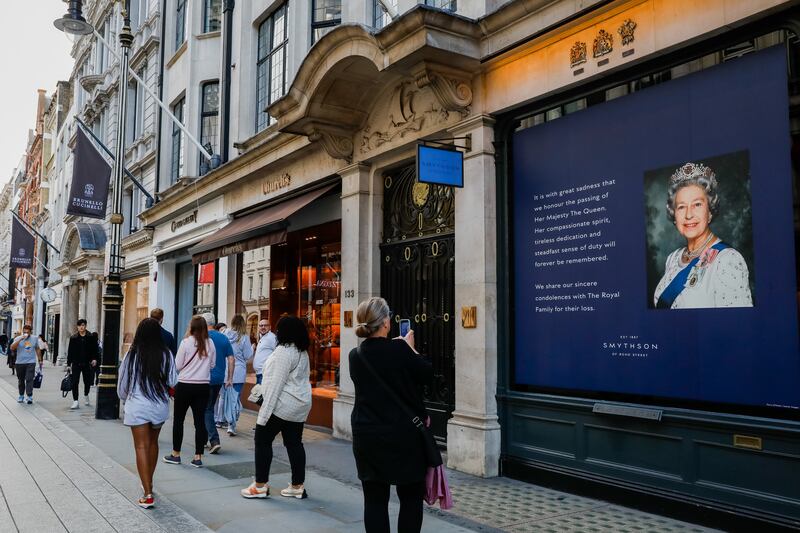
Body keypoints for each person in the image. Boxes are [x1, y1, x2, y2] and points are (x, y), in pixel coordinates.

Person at [349, 297, 432, 533]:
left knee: (374, 500)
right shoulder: (401, 349)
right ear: (385, 321)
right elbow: (427, 374)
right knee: (410, 498)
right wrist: (411, 349)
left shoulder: (356, 355)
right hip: (403, 436)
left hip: (367, 435)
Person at [654, 162, 753, 309]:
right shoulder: (673, 259)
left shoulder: (727, 261)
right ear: (674, 215)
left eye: (697, 205)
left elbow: (738, 325)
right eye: (681, 207)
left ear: (710, 212)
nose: (688, 215)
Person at [241, 316, 312, 500]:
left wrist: (263, 415)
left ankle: (260, 485)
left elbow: (275, 385)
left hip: (281, 405)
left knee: (262, 440)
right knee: (294, 444)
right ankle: (297, 486)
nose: (277, 332)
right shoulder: (301, 351)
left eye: (279, 329)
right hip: (299, 405)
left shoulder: (283, 352)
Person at [118, 318, 178, 509]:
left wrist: (125, 397)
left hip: (138, 405)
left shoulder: (132, 354)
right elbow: (173, 380)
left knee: (141, 447)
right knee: (153, 444)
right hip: (158, 404)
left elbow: (123, 381)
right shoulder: (166, 354)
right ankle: (149, 483)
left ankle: (147, 492)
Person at [164, 315, 216, 468]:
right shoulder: (210, 343)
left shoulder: (186, 342)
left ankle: (176, 454)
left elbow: (177, 365)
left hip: (185, 385)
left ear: (191, 327)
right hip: (203, 386)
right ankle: (198, 457)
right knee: (200, 422)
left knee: (178, 420)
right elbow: (212, 365)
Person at [202, 312, 234, 454]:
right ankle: (203, 439)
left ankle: (214, 440)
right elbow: (231, 359)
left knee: (206, 409)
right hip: (219, 379)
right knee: (208, 408)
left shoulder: (202, 338)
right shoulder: (223, 338)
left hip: (203, 378)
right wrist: (230, 378)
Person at [224, 314, 254, 436]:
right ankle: (232, 424)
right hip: (238, 371)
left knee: (228, 398)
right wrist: (252, 348)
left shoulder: (225, 334)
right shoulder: (244, 338)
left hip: (226, 370)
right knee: (235, 398)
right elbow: (248, 356)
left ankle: (229, 421)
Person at [66, 319, 99, 409]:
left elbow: (95, 350)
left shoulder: (90, 337)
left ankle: (86, 394)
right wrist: (68, 364)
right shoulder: (73, 338)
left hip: (87, 363)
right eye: (80, 325)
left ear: (85, 326)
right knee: (74, 382)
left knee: (87, 381)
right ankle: (75, 401)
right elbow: (70, 352)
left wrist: (94, 359)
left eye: (83, 325)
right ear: (77, 327)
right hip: (76, 363)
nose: (81, 327)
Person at [10, 325, 43, 404]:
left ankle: (29, 396)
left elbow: (37, 349)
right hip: (19, 363)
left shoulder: (35, 338)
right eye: (24, 332)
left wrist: (40, 359)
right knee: (21, 380)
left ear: (31, 332)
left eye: (28, 332)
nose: (26, 333)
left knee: (29, 379)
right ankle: (21, 395)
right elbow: (12, 348)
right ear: (22, 331)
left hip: (30, 362)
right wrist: (21, 339)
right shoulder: (18, 338)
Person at [253, 319, 277, 385]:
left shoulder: (272, 337)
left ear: (270, 327)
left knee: (262, 394)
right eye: (261, 325)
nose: (263, 327)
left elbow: (278, 353)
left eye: (265, 325)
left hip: (265, 374)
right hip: (260, 374)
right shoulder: (263, 337)